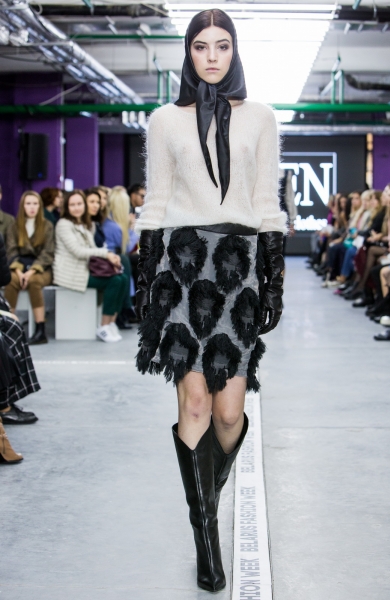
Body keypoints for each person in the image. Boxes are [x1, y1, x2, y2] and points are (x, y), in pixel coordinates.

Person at [135, 10, 286, 592]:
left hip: (239, 265)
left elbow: (266, 199)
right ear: (189, 54)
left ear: (235, 51)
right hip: (180, 264)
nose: (213, 57)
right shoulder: (164, 120)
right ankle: (207, 540)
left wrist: (274, 278)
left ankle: (207, 490)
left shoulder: (262, 118)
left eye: (222, 46)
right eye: (201, 47)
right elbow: (156, 201)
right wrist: (147, 280)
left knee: (228, 413)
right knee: (195, 404)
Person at [53, 190, 128, 343]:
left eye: (79, 204)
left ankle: (111, 322)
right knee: (114, 281)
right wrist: (106, 254)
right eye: (72, 205)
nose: (76, 208)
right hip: (71, 273)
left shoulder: (85, 224)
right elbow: (78, 251)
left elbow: (92, 250)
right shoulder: (63, 224)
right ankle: (104, 326)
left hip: (84, 270)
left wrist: (110, 260)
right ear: (66, 207)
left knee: (122, 278)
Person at [0, 232, 40, 433]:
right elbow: (4, 275)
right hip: (18, 269)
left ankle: (7, 399)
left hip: (37, 267)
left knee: (11, 325)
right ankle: (3, 405)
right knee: (8, 330)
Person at [4, 191, 54, 345]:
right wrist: (19, 272)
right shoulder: (14, 226)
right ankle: (8, 327)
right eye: (28, 203)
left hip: (41, 268)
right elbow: (11, 251)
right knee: (10, 280)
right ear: (22, 206)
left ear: (40, 206)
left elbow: (48, 253)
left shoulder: (47, 226)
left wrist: (32, 271)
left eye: (35, 203)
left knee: (34, 281)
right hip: (18, 267)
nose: (32, 207)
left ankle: (40, 329)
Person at [103, 186, 139, 328]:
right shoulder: (113, 226)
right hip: (111, 258)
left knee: (133, 262)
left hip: (114, 256)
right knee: (128, 262)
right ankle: (128, 305)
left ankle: (129, 306)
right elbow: (127, 247)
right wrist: (133, 229)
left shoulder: (111, 222)